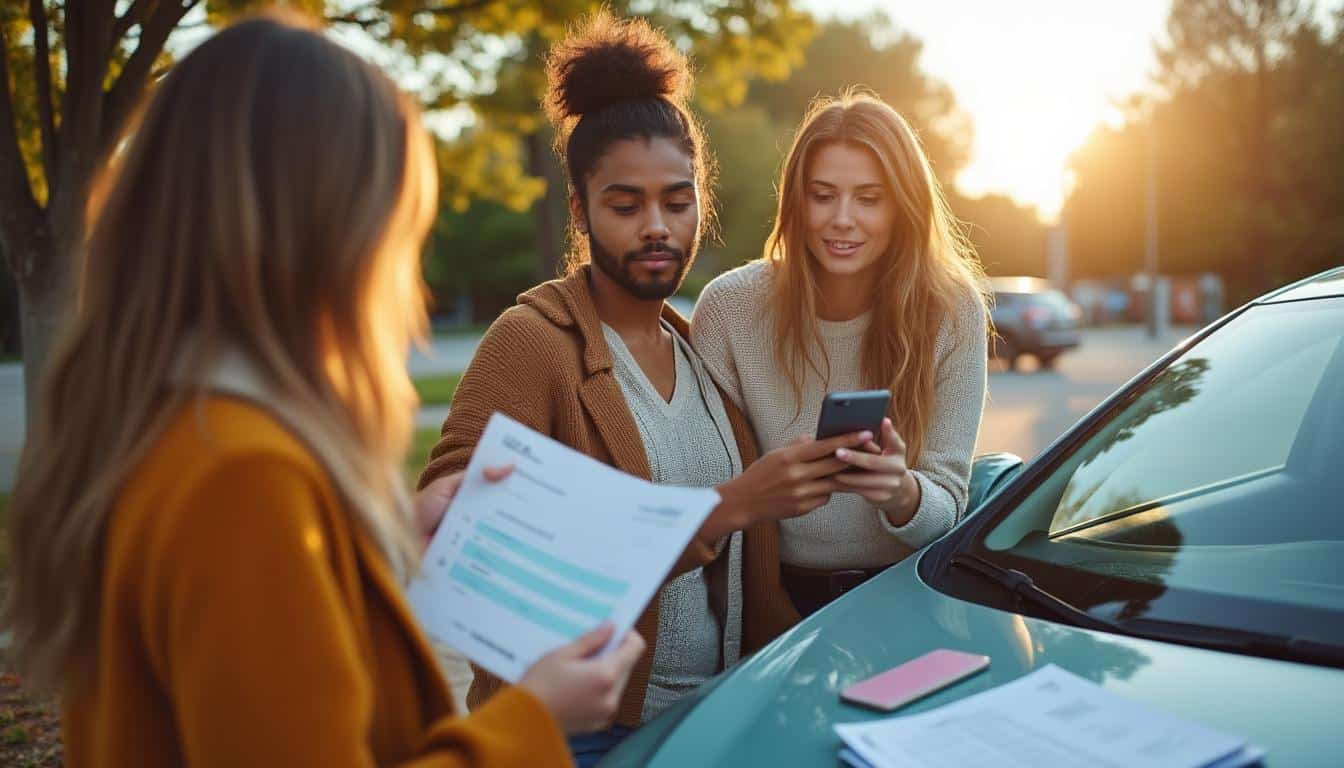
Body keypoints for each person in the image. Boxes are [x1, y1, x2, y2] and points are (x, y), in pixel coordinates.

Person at [0, 12, 646, 767]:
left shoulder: (167, 427)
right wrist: (535, 719)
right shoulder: (244, 481)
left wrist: (379, 546)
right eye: (398, 229)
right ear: (329, 233)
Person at [419, 13, 870, 767]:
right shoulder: (532, 342)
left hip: (709, 717)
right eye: (625, 206)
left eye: (677, 201)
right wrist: (733, 504)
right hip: (579, 733)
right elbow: (461, 534)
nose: (656, 226)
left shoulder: (700, 350)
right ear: (580, 210)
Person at [692, 90, 991, 618]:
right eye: (823, 195)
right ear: (796, 201)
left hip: (905, 597)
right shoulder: (729, 309)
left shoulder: (951, 309)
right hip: (766, 598)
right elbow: (704, 489)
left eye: (869, 198)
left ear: (903, 206)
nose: (842, 219)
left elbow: (948, 502)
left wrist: (901, 492)